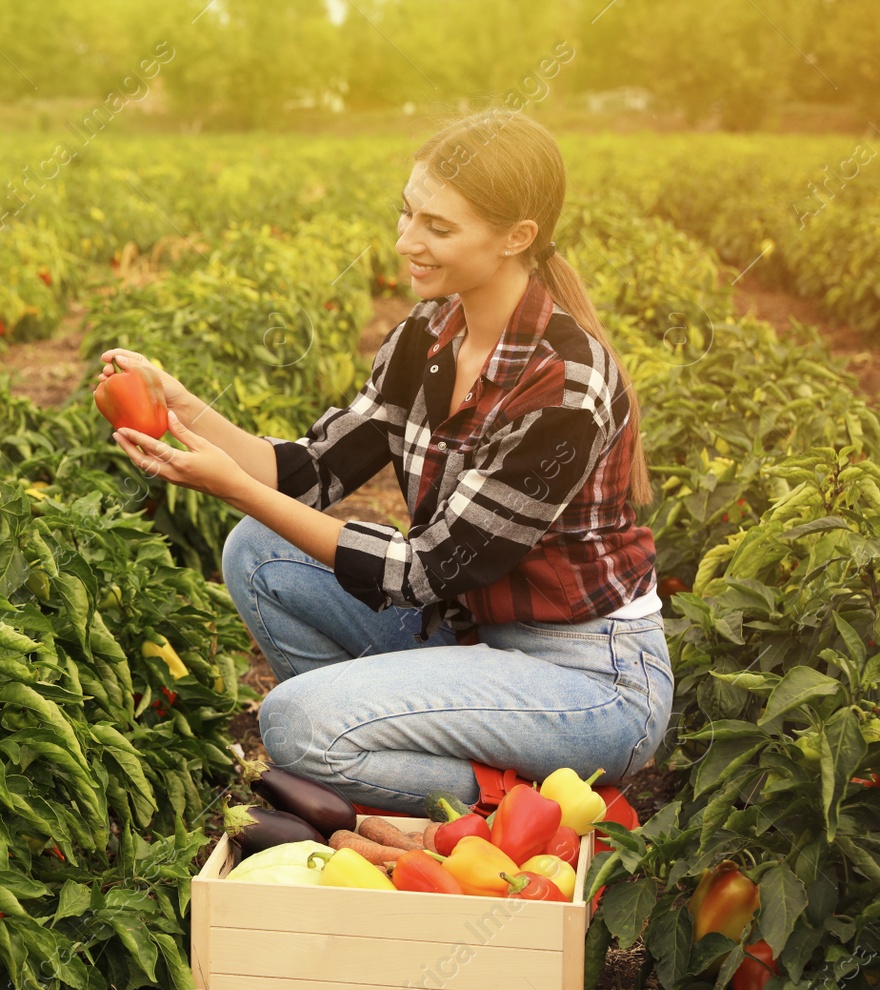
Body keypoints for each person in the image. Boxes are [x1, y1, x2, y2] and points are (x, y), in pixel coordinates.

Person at [97, 108, 672, 815]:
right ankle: (377, 762)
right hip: (472, 634)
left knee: (293, 724)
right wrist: (182, 406)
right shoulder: (426, 337)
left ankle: (511, 797)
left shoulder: (563, 385)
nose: (406, 242)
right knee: (260, 551)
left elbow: (425, 569)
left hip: (589, 678)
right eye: (407, 215)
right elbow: (308, 472)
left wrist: (234, 486)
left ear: (516, 237)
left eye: (437, 227)